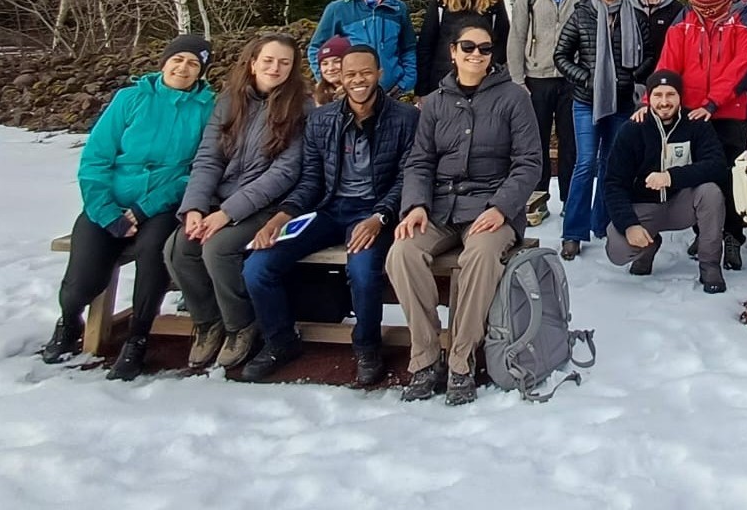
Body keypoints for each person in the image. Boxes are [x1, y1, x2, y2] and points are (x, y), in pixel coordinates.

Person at [236, 45, 417, 384]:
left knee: (363, 271)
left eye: (365, 72)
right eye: (351, 74)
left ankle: (367, 346)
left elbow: (408, 177)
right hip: (329, 209)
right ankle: (280, 341)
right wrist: (281, 217)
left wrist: (380, 216)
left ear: (379, 74)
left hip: (376, 213)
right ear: (340, 79)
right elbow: (310, 180)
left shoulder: (405, 119)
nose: (358, 80)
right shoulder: (321, 120)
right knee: (258, 266)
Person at [40, 35, 216, 379]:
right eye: (178, 59)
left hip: (162, 204)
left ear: (202, 72)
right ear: (164, 62)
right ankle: (70, 319)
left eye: (193, 64)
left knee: (155, 253)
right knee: (82, 281)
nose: (183, 68)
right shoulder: (130, 99)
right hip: (109, 199)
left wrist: (144, 208)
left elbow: (199, 168)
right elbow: (96, 158)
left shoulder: (208, 109)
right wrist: (106, 210)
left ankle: (137, 337)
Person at [390, 24, 543, 405]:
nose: (477, 54)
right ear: (454, 52)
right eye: (468, 47)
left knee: (480, 256)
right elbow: (420, 161)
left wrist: (501, 207)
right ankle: (425, 356)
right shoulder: (436, 102)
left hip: (491, 208)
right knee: (402, 252)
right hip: (441, 207)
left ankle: (460, 359)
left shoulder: (513, 98)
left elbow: (528, 163)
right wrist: (415, 205)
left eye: (486, 48)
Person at [168, 34, 311, 369]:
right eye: (268, 60)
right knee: (179, 248)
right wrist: (195, 208)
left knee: (218, 249)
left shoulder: (301, 107)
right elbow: (208, 159)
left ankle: (240, 324)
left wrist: (228, 214)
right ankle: (207, 321)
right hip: (219, 200)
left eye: (284, 63)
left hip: (267, 206)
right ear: (253, 63)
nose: (275, 68)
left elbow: (286, 171)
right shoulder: (229, 101)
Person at [657, 0, 747, 270]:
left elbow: (743, 67)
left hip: (728, 112)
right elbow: (668, 65)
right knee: (697, 176)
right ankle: (704, 233)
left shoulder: (742, 19)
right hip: (690, 113)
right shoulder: (683, 22)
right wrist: (657, 100)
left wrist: (713, 102)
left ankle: (731, 237)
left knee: (730, 178)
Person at [554, 0, 649, 259]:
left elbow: (648, 55)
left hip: (622, 103)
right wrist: (586, 77)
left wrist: (631, 79)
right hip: (586, 100)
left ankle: (603, 222)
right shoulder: (583, 14)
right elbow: (561, 55)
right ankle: (573, 232)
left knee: (612, 164)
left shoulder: (634, 15)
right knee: (585, 164)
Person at [604, 70, 731, 291]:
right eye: (658, 95)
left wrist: (671, 177)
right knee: (618, 251)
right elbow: (614, 183)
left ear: (680, 96)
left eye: (670, 94)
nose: (664, 102)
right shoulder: (633, 129)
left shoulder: (696, 124)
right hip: (645, 207)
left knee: (711, 192)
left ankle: (710, 264)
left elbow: (717, 166)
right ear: (649, 98)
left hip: (682, 203)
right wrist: (630, 224)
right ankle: (648, 245)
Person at [507, 0, 587, 207]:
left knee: (571, 144)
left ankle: (569, 200)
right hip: (536, 78)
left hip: (572, 78)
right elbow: (516, 36)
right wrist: (517, 80)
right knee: (535, 143)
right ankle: (536, 200)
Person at [309, 0, 417, 96]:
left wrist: (406, 82)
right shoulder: (338, 9)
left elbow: (409, 48)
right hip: (353, 90)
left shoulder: (398, 8)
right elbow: (316, 48)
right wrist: (329, 81)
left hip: (394, 91)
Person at [418, 0, 510, 96]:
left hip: (482, 79)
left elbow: (503, 41)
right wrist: (422, 89)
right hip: (443, 76)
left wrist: (488, 67)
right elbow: (426, 44)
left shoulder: (494, 0)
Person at [313, 36, 351, 105]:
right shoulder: (313, 95)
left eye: (337, 61)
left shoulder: (360, 92)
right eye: (325, 64)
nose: (330, 68)